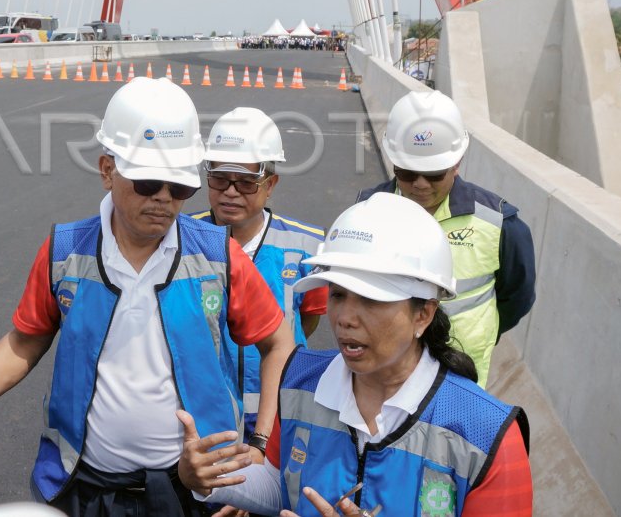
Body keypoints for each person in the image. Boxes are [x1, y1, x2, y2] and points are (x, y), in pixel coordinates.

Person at [0, 77, 295, 516]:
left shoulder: (217, 257)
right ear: (108, 170)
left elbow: (279, 341)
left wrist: (260, 446)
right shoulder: (66, 252)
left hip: (191, 495)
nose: (165, 201)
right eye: (149, 183)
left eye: (179, 188)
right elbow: (25, 341)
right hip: (86, 492)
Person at [178, 193, 533, 517]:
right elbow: (279, 482)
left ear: (423, 314)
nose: (345, 318)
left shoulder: (486, 432)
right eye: (337, 294)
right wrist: (208, 477)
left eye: (371, 300)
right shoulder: (299, 382)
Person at [356, 90, 535, 386]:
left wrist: (483, 330)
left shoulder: (499, 223)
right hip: (384, 364)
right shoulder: (366, 211)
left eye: (435, 174)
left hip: (460, 370)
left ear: (457, 162)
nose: (421, 185)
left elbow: (517, 296)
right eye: (408, 173)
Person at [191, 107, 327, 439]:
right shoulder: (184, 239)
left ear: (270, 184)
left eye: (246, 182)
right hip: (204, 412)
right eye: (220, 178)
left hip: (280, 411)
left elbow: (307, 317)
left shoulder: (307, 245)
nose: (231, 191)